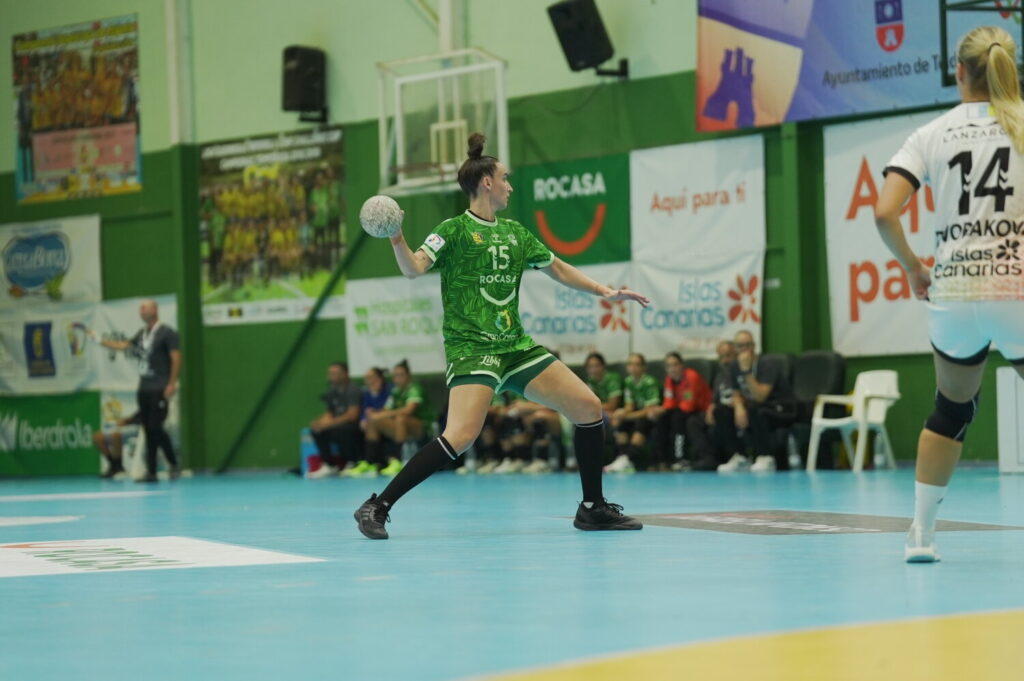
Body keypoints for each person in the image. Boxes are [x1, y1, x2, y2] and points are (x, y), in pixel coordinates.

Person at [354, 133, 650, 539]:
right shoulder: (453, 230)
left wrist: (604, 291)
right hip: (473, 348)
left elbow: (558, 268)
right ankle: (378, 505)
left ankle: (592, 508)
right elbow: (414, 268)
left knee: (588, 406)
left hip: (514, 347)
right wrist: (396, 236)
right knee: (459, 436)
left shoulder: (516, 233)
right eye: (505, 178)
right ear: (487, 183)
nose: (511, 185)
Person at [874, 26, 1024, 563]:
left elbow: (884, 212)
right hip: (1017, 286)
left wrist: (915, 268)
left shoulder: (931, 134)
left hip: (956, 287)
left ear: (958, 71)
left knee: (951, 411)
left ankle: (921, 533)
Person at [91, 300, 181, 482]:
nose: (141, 311)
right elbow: (124, 346)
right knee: (148, 428)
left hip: (160, 387)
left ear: (155, 310)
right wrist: (100, 341)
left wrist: (171, 383)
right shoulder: (142, 334)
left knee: (156, 427)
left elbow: (176, 358)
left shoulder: (167, 333)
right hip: (144, 387)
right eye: (140, 308)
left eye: (144, 308)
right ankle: (156, 470)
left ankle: (165, 465)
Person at [716, 330, 794, 473]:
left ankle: (765, 456)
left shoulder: (767, 364)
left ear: (754, 346)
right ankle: (740, 456)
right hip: (755, 406)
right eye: (740, 346)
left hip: (780, 408)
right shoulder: (734, 366)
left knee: (754, 407)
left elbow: (761, 396)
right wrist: (739, 408)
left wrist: (746, 372)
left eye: (748, 345)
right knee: (721, 411)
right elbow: (736, 392)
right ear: (735, 349)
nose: (745, 349)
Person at [362, 360, 434, 477]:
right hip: (401, 428)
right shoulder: (395, 391)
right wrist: (375, 414)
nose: (397, 378)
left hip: (422, 428)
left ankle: (397, 461)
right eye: (395, 375)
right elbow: (386, 410)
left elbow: (408, 410)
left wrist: (384, 415)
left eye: (401, 375)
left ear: (408, 376)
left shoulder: (414, 388)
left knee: (401, 418)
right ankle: (371, 462)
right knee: (373, 419)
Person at [651, 352, 716, 471]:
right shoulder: (669, 380)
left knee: (677, 418)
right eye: (669, 366)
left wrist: (667, 409)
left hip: (703, 410)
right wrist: (659, 410)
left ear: (682, 365)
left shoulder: (691, 377)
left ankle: (680, 458)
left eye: (675, 365)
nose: (673, 369)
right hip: (683, 409)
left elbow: (689, 406)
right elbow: (669, 402)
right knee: (662, 419)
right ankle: (661, 460)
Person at [308, 362, 363, 478]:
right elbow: (329, 413)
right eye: (330, 373)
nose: (331, 376)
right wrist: (320, 423)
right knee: (317, 430)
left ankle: (352, 463)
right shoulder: (332, 391)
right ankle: (329, 465)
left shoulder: (353, 390)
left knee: (346, 429)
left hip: (354, 426)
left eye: (334, 373)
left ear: (344, 374)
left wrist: (329, 424)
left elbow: (352, 415)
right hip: (337, 425)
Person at [607, 353, 661, 473]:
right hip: (637, 414)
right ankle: (623, 458)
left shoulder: (649, 382)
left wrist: (628, 415)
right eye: (630, 364)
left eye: (637, 364)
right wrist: (621, 413)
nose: (633, 367)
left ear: (643, 367)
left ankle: (627, 458)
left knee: (642, 423)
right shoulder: (629, 381)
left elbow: (649, 409)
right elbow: (629, 405)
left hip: (653, 416)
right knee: (620, 423)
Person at [343, 367, 392, 477]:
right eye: (366, 378)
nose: (368, 381)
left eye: (371, 377)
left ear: (379, 378)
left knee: (372, 422)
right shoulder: (367, 392)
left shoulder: (389, 389)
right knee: (356, 428)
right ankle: (366, 462)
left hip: (387, 421)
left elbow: (389, 408)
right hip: (372, 422)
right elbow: (365, 409)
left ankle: (372, 462)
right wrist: (363, 420)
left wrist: (375, 413)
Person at [706, 340, 742, 464]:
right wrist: (710, 408)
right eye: (721, 357)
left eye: (728, 355)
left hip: (738, 408)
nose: (725, 360)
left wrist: (739, 404)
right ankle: (709, 458)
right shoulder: (720, 375)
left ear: (735, 354)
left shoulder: (742, 372)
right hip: (721, 408)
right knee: (693, 421)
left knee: (721, 412)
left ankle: (736, 456)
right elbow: (715, 398)